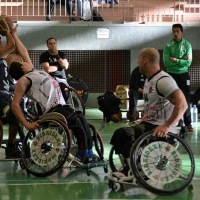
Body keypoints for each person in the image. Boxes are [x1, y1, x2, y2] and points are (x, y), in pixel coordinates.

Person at [8, 24, 97, 164]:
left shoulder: (33, 72)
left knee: (83, 120)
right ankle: (83, 154)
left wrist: (13, 34)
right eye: (22, 62)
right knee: (78, 123)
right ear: (22, 67)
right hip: (52, 109)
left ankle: (89, 152)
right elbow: (15, 105)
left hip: (61, 106)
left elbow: (23, 50)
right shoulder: (24, 80)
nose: (25, 60)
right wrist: (27, 124)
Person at [110, 47, 188, 176]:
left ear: (146, 60)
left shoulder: (163, 80)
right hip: (150, 123)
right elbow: (153, 107)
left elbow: (183, 104)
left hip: (163, 128)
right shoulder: (148, 80)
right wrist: (142, 119)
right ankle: (129, 168)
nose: (138, 62)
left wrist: (167, 125)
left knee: (127, 135)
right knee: (119, 134)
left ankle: (137, 168)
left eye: (139, 59)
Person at [163, 23, 193, 132]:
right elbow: (166, 63)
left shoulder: (188, 45)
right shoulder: (167, 46)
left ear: (182, 33)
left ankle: (188, 123)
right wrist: (182, 60)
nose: (175, 33)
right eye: (174, 31)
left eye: (177, 31)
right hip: (171, 74)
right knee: (172, 99)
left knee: (186, 98)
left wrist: (175, 60)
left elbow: (188, 63)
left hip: (184, 74)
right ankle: (177, 121)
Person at [0, 27, 25, 158]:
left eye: (1, 43)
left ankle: (11, 146)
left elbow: (20, 55)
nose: (1, 45)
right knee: (14, 113)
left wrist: (13, 35)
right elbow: (11, 45)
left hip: (6, 96)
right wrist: (8, 33)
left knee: (18, 113)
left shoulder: (5, 61)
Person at [39, 37, 70, 103]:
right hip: (50, 79)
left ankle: (63, 107)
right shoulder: (44, 55)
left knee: (65, 90)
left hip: (61, 79)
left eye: (54, 43)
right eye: (50, 44)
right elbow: (48, 69)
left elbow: (65, 66)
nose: (53, 45)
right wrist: (59, 66)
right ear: (47, 45)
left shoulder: (61, 54)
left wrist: (57, 56)